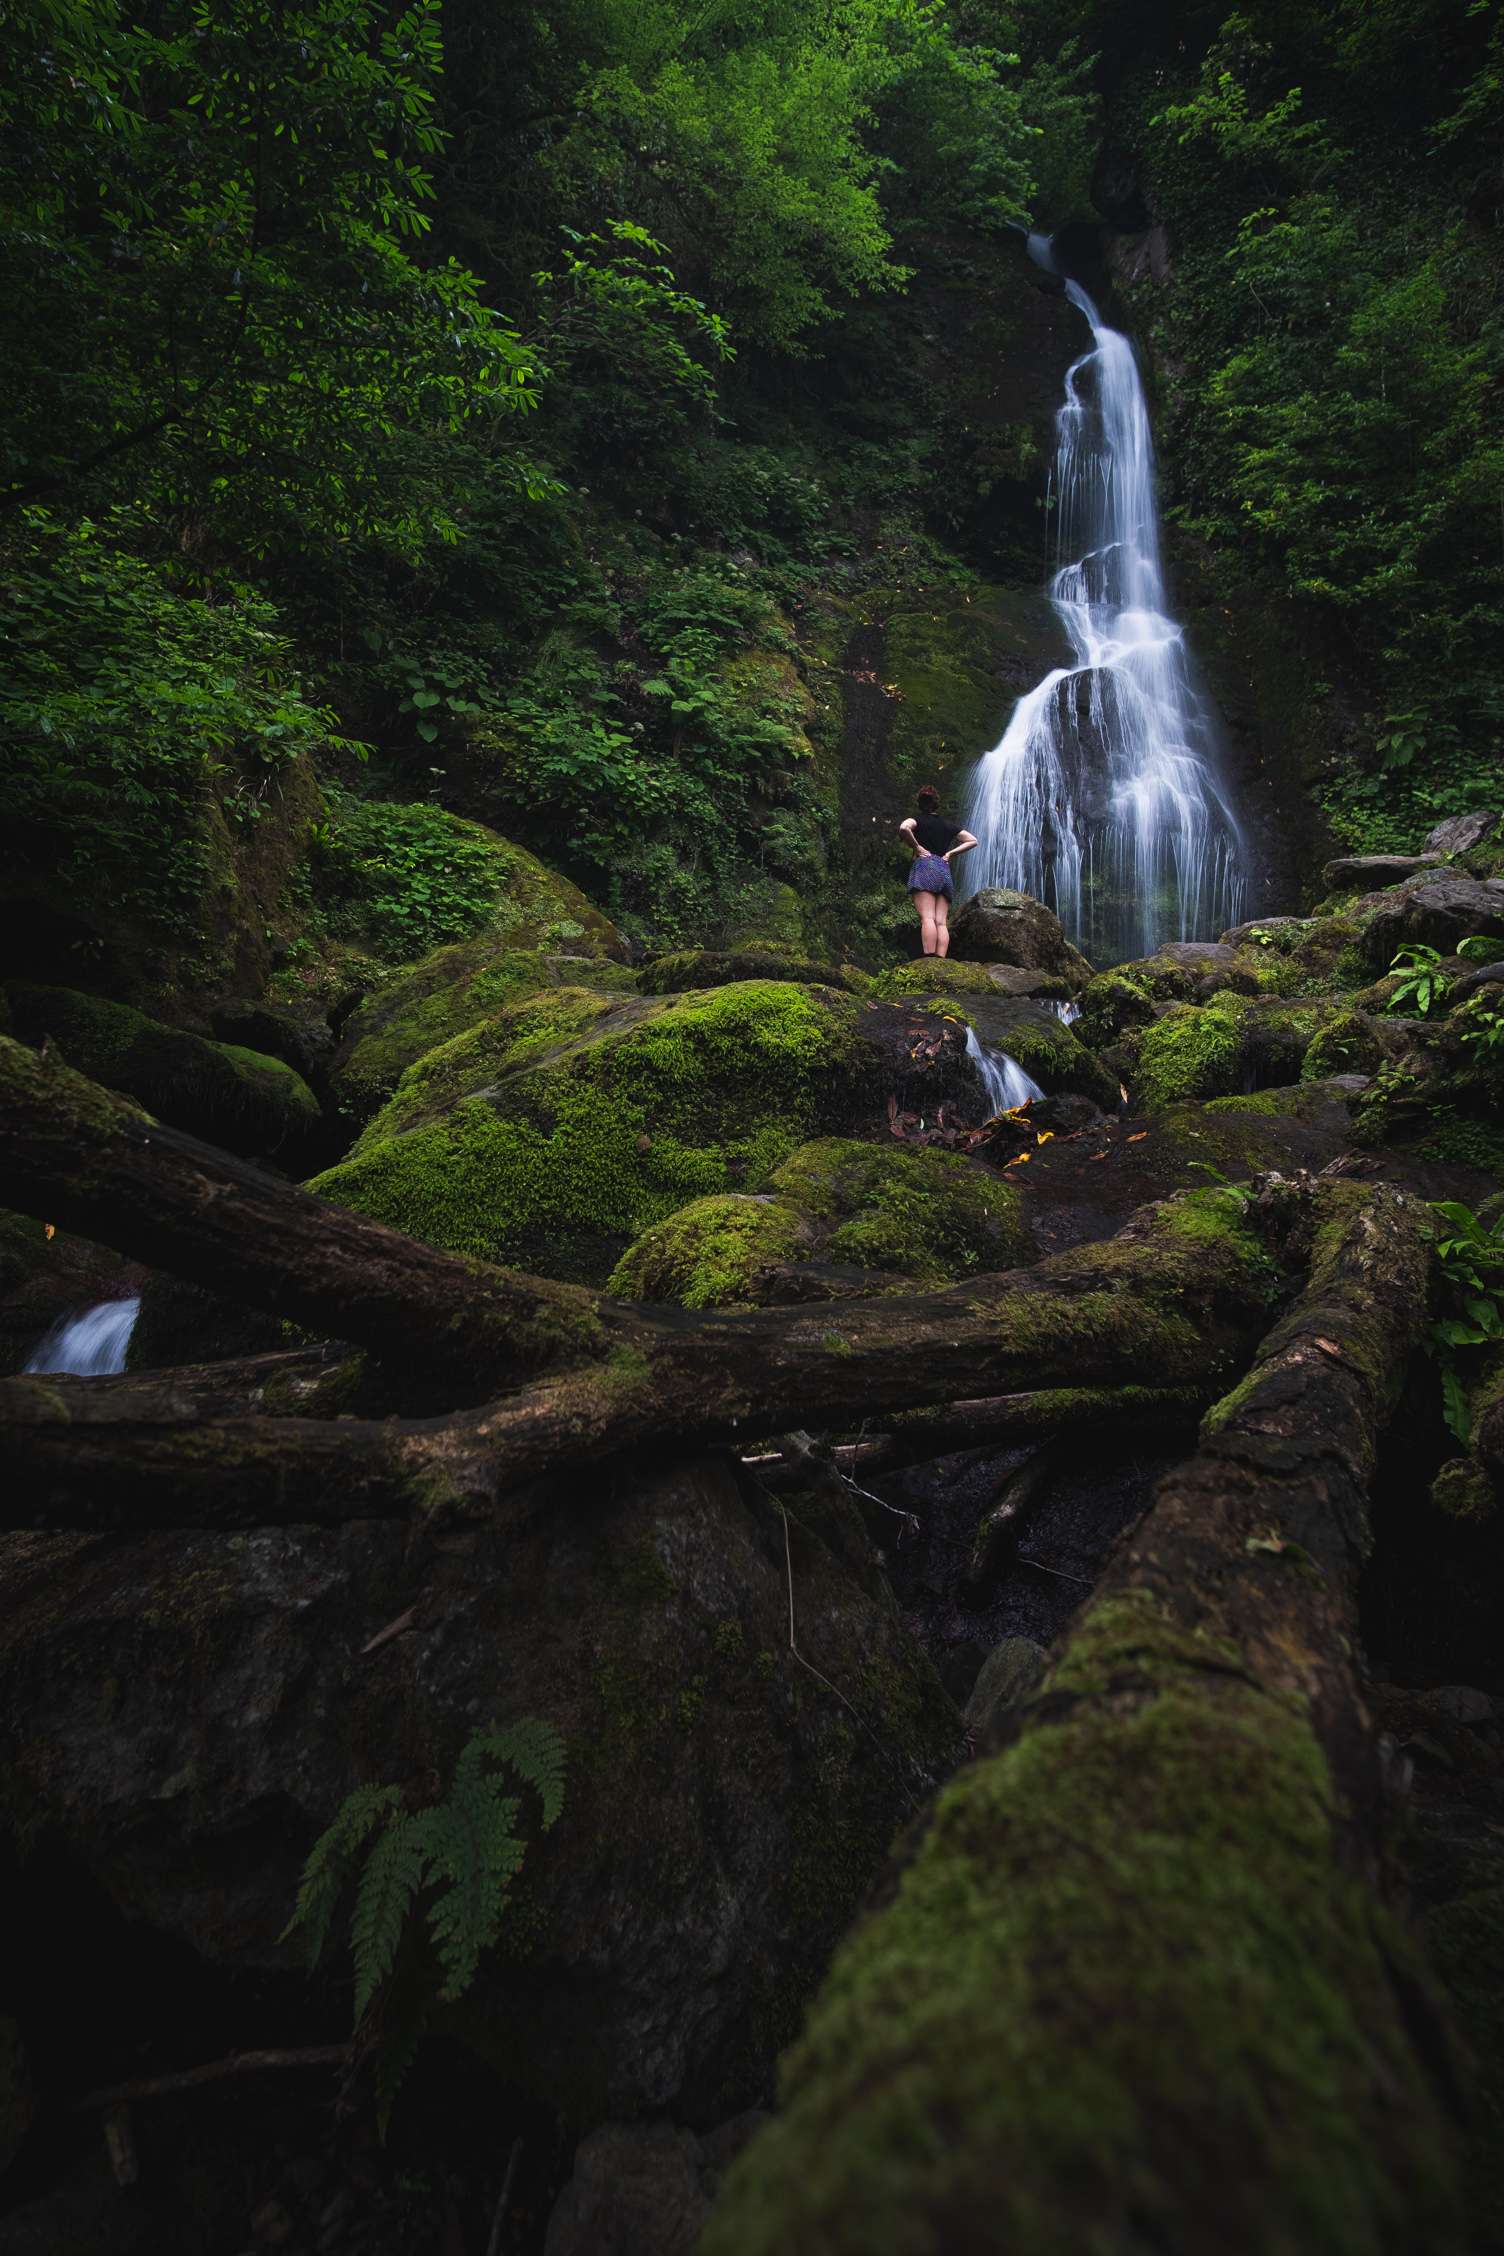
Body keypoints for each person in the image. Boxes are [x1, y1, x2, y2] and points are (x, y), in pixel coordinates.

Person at [899, 784, 977, 957]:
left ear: (920, 803)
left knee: (927, 917)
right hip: (943, 869)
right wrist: (951, 853)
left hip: (925, 866)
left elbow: (904, 828)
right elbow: (973, 840)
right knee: (941, 922)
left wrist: (917, 847)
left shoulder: (916, 820)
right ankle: (940, 960)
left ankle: (929, 958)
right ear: (936, 804)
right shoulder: (948, 825)